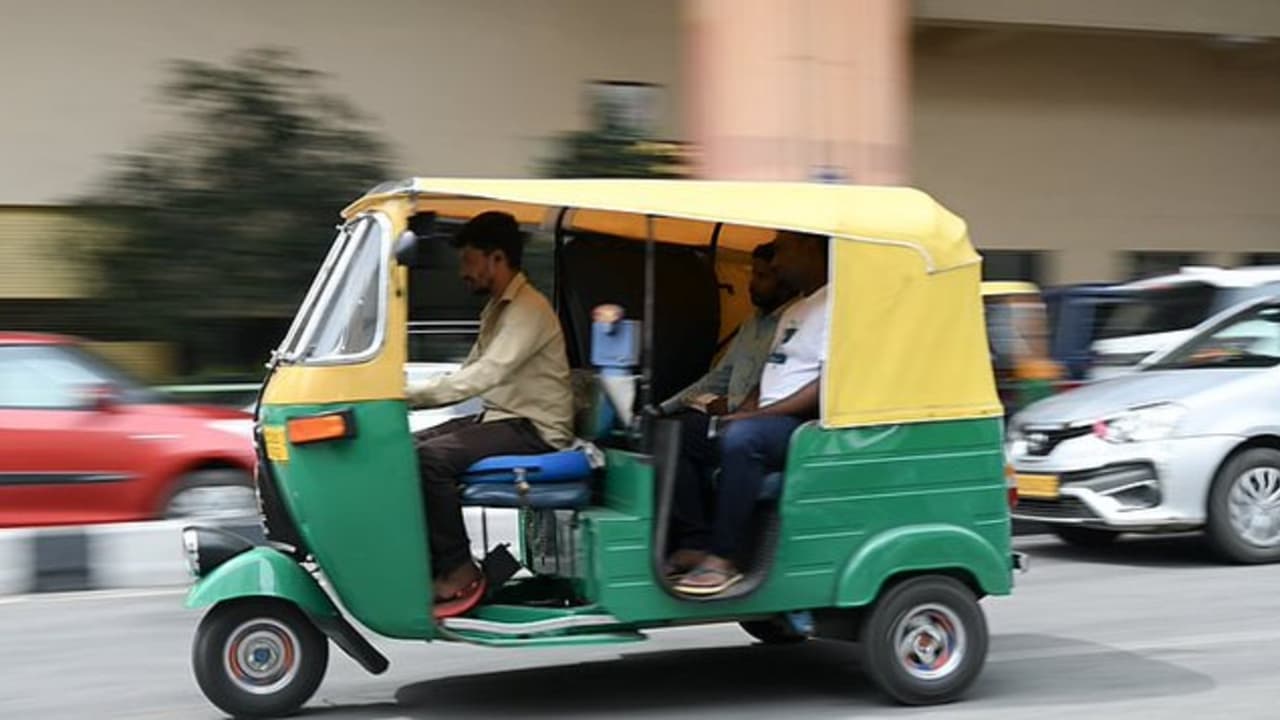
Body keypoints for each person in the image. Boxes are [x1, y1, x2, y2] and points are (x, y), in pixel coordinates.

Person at [406, 211, 574, 618]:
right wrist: (405, 393)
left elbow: (486, 374)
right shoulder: (498, 309)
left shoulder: (528, 310)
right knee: (402, 448)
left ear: (497, 259)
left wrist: (405, 396)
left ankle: (459, 569)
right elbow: (468, 372)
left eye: (469, 260)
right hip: (503, 418)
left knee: (430, 460)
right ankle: (428, 563)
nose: (463, 272)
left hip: (535, 429)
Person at [671, 230, 830, 596]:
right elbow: (770, 372)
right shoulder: (796, 310)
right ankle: (695, 541)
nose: (777, 261)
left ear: (810, 247)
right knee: (681, 432)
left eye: (783, 250)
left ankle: (723, 558)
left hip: (803, 426)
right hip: (768, 418)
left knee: (744, 438)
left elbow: (825, 386)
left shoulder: (839, 306)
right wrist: (744, 410)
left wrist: (755, 418)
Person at [659, 241, 796, 576]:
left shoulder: (792, 322)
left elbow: (769, 385)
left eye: (763, 276)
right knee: (669, 430)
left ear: (784, 281)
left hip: (762, 425)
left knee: (690, 435)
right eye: (752, 274)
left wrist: (733, 410)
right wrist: (664, 408)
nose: (752, 284)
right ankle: (690, 541)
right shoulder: (752, 324)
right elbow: (719, 378)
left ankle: (709, 548)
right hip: (730, 417)